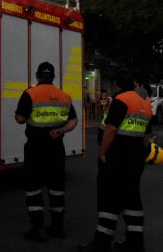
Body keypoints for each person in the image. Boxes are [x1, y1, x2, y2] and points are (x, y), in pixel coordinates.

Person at [78, 72, 153, 252]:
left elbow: (111, 129)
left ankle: (101, 243)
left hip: (117, 158)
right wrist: (144, 153)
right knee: (131, 199)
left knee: (109, 198)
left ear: (118, 86)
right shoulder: (144, 104)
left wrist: (102, 152)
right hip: (135, 160)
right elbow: (146, 136)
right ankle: (135, 243)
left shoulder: (121, 100)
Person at [15, 61, 78, 242]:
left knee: (33, 187)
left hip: (35, 147)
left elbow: (20, 118)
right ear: (53, 77)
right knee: (57, 187)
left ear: (37, 76)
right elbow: (73, 120)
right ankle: (57, 227)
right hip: (56, 146)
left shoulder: (30, 93)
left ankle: (37, 229)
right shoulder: (64, 96)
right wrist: (61, 130)